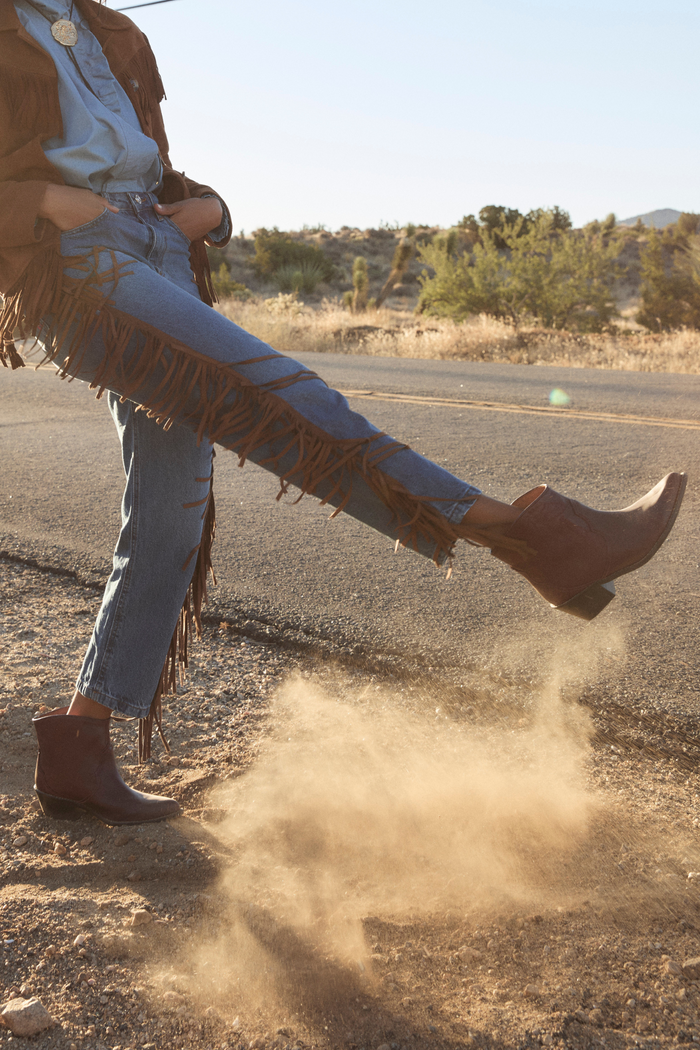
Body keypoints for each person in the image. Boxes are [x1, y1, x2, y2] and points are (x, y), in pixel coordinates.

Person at [0, 0, 686, 827]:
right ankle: (524, 533)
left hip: (161, 250)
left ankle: (80, 751)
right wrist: (40, 197)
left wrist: (211, 210)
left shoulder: (113, 31)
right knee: (284, 394)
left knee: (170, 515)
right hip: (78, 262)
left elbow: (143, 161)